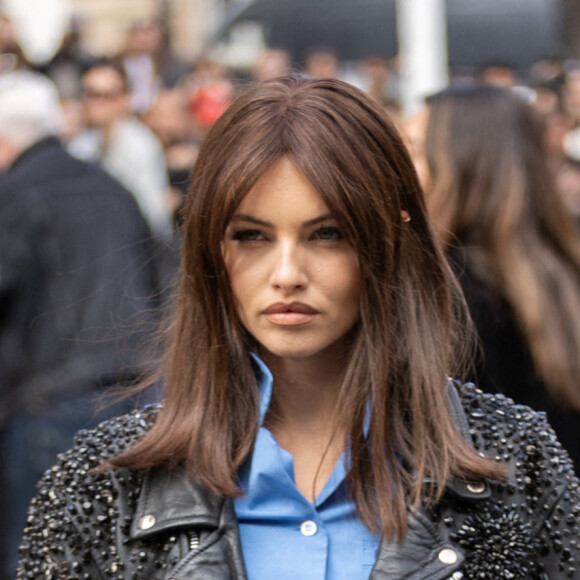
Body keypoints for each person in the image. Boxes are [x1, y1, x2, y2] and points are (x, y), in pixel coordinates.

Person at [17, 76, 580, 580]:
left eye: (327, 233)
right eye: (252, 236)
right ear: (211, 249)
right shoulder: (99, 487)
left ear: (386, 242)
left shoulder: (516, 462)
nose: (287, 275)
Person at [0, 71, 161, 578]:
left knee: (36, 559)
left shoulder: (16, 194)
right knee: (120, 557)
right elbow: (158, 281)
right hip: (132, 397)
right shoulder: (110, 187)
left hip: (46, 403)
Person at [423, 83, 580, 471]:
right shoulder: (561, 270)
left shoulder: (448, 290)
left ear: (461, 165)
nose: (397, 166)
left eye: (412, 149)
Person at [68, 59, 173, 240]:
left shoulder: (141, 146)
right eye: (90, 94)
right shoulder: (78, 144)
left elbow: (152, 213)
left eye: (105, 95)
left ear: (125, 99)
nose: (95, 103)